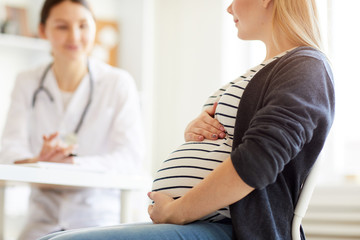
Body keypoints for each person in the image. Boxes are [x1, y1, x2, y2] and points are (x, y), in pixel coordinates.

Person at [38, 0, 335, 239]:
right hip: (203, 222)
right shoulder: (266, 69)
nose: (229, 7)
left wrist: (177, 212)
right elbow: (238, 137)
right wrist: (195, 132)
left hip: (234, 227)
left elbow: (258, 161)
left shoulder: (306, 66)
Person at [0, 0, 144, 239]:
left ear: (94, 28)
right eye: (62, 26)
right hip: (42, 221)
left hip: (98, 219)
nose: (74, 36)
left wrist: (73, 165)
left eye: (83, 25)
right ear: (43, 30)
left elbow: (130, 157)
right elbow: (8, 150)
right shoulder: (27, 81)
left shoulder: (118, 83)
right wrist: (38, 161)